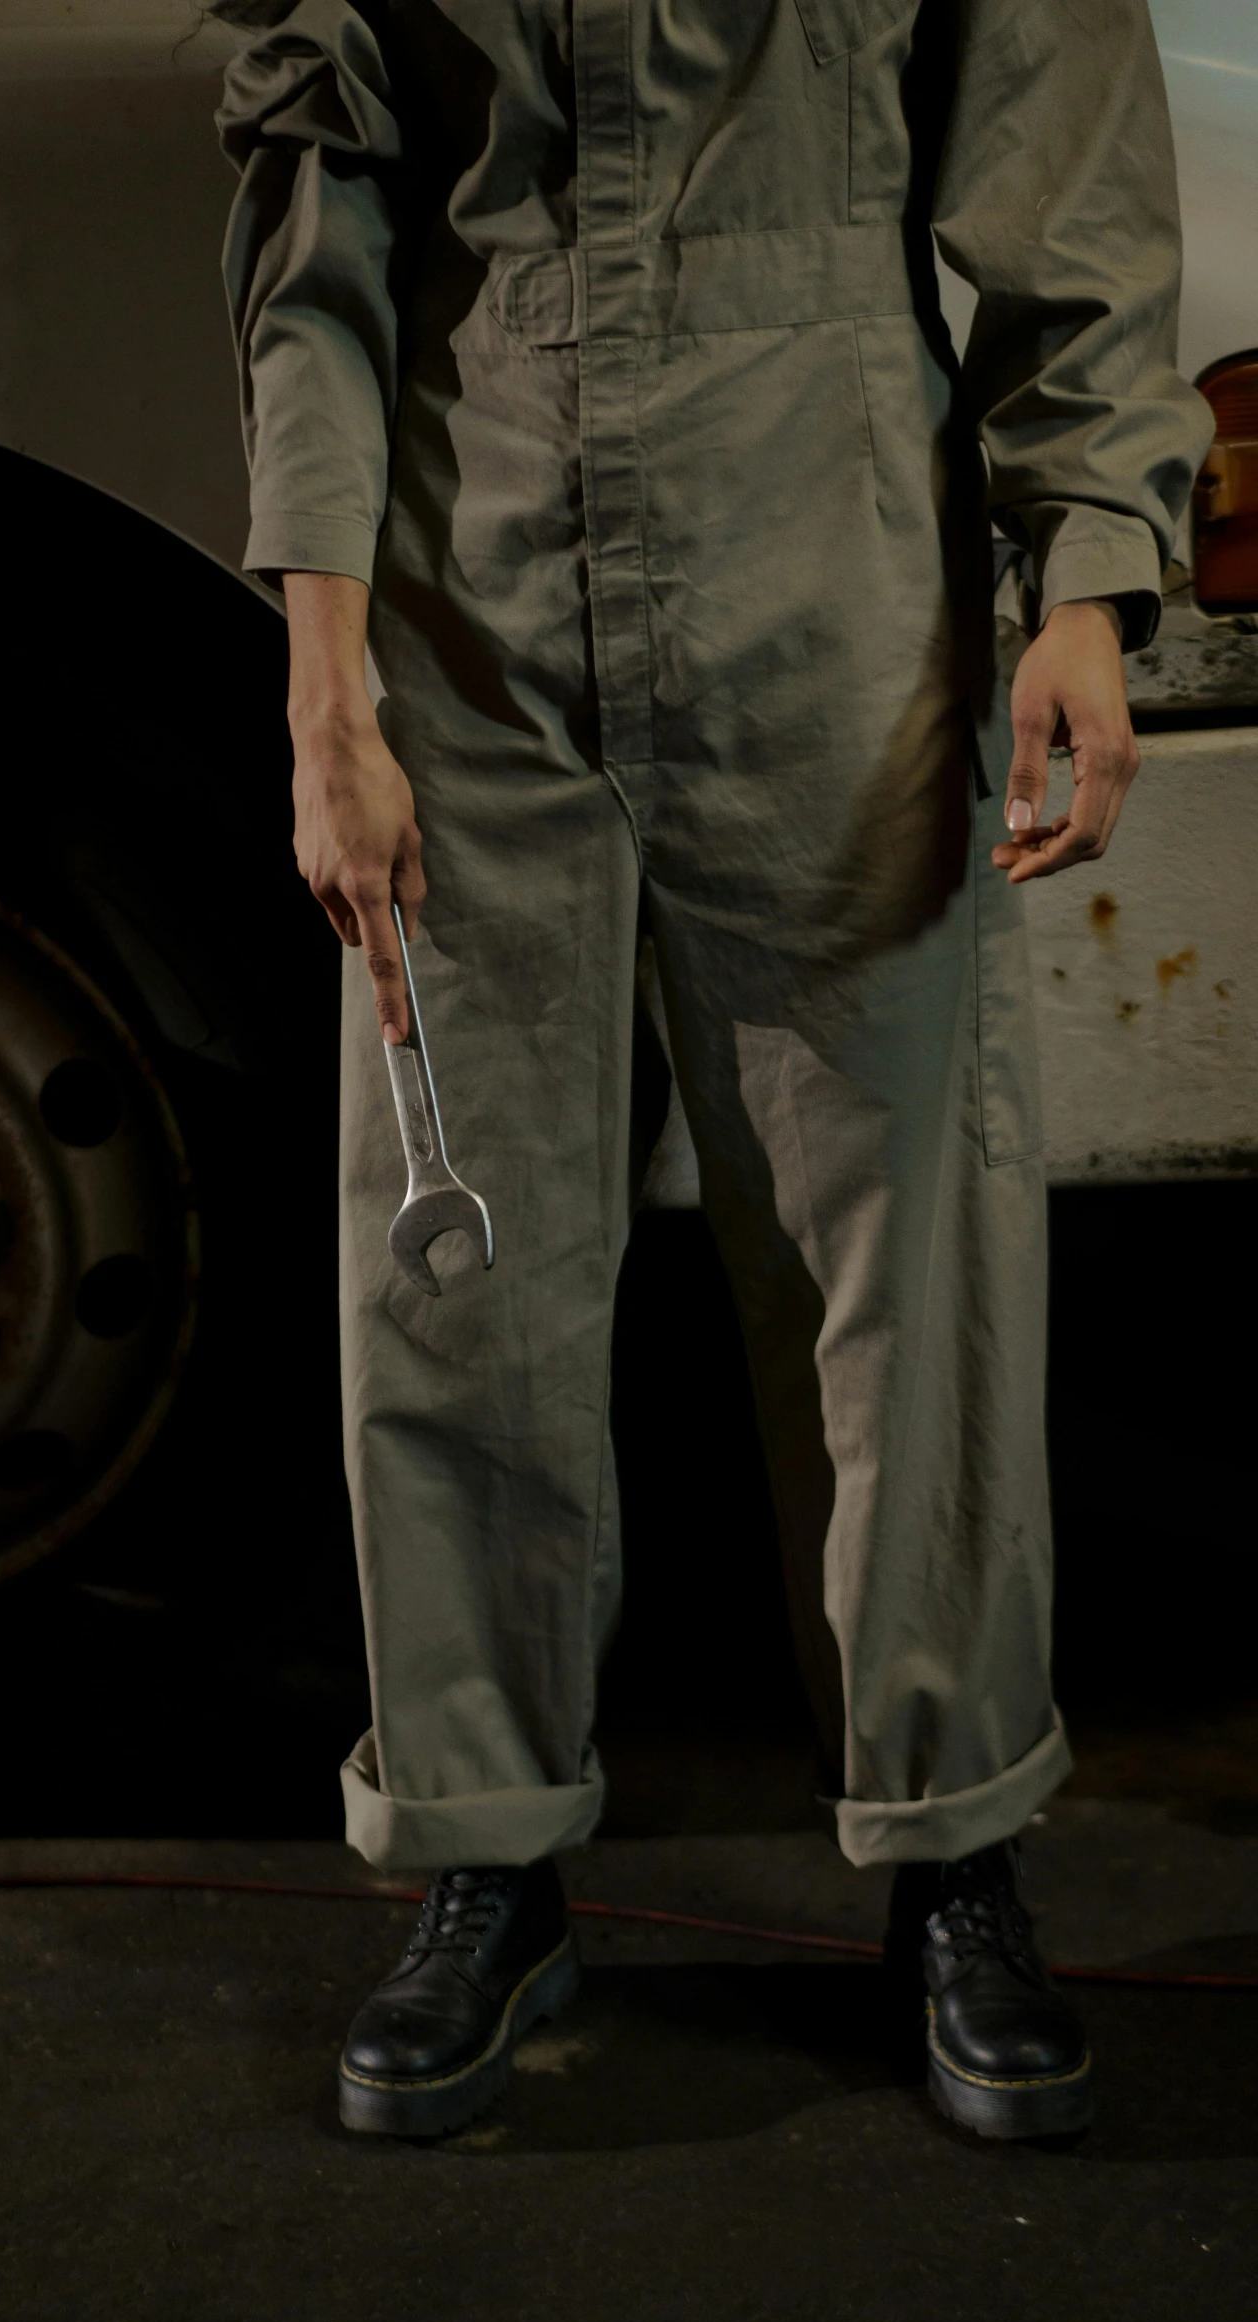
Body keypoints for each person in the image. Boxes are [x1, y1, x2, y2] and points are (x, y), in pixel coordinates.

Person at [211, 0, 1210, 2141]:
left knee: (903, 1259)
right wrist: (324, 685)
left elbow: (1070, 184)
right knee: (453, 1251)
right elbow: (318, 225)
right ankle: (488, 1841)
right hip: (459, 595)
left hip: (837, 564)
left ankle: (950, 1843)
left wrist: (1091, 577)